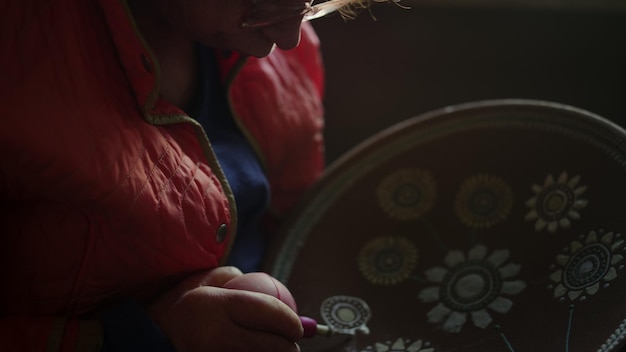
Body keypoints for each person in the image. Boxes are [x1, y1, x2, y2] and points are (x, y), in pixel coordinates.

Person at [0, 0, 325, 350]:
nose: (291, 38)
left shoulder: (278, 33)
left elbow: (299, 218)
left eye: (317, 5)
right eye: (265, 4)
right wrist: (145, 338)